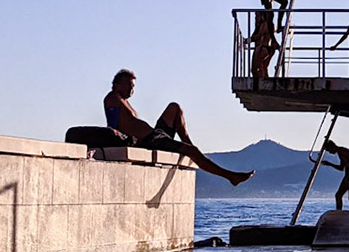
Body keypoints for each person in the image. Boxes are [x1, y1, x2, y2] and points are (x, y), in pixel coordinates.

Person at [102, 70, 253, 185]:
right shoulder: (113, 97)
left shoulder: (124, 101)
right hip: (149, 141)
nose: (132, 89)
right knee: (192, 151)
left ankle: (188, 144)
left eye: (133, 86)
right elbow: (112, 124)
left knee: (174, 108)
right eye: (129, 85)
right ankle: (230, 176)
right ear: (117, 84)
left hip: (155, 135)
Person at [321, 139, 349, 212]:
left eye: (328, 150)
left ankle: (339, 212)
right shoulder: (341, 152)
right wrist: (329, 164)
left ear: (332, 146)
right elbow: (341, 168)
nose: (330, 152)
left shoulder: (342, 151)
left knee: (338, 195)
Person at [249, 10, 278, 80]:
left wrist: (247, 40)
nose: (256, 18)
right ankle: (266, 81)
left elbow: (258, 36)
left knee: (256, 69)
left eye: (257, 16)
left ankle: (262, 82)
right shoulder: (262, 26)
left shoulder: (264, 24)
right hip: (265, 48)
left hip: (262, 48)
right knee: (263, 68)